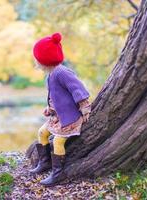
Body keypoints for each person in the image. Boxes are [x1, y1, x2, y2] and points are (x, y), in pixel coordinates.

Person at [30, 32, 91, 186]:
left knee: (58, 141)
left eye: (37, 59)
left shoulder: (62, 73)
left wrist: (85, 107)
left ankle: (58, 173)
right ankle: (45, 162)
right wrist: (49, 108)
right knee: (42, 133)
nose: (35, 62)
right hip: (58, 116)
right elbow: (56, 97)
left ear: (45, 60)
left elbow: (78, 89)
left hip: (70, 118)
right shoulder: (50, 75)